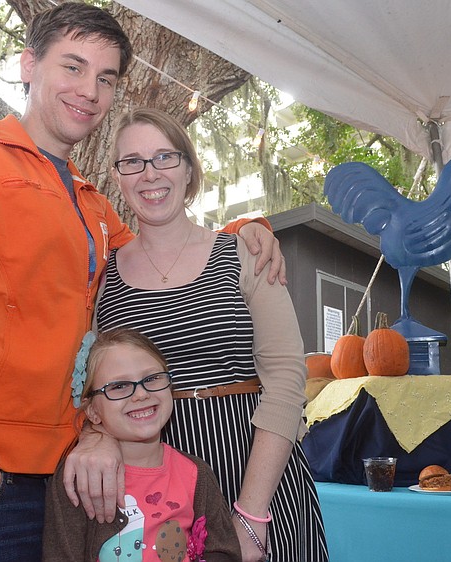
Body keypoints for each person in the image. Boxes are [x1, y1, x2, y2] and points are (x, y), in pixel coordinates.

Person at [0, 4, 282, 561]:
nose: (90, 90)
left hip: (69, 481)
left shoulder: (96, 206)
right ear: (28, 64)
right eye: (73, 67)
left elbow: (167, 256)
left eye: (106, 78)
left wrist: (246, 230)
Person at [88, 107, 328, 562]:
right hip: (155, 487)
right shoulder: (107, 281)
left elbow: (286, 379)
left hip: (258, 468)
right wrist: (94, 437)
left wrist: (253, 513)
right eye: (132, 162)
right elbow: (93, 387)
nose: (149, 173)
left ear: (189, 169)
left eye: (164, 157)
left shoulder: (244, 253)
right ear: (117, 177)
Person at [43, 328, 240, 562]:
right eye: (118, 386)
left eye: (152, 378)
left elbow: (224, 550)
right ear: (93, 411)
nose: (140, 394)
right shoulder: (80, 477)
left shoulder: (196, 473)